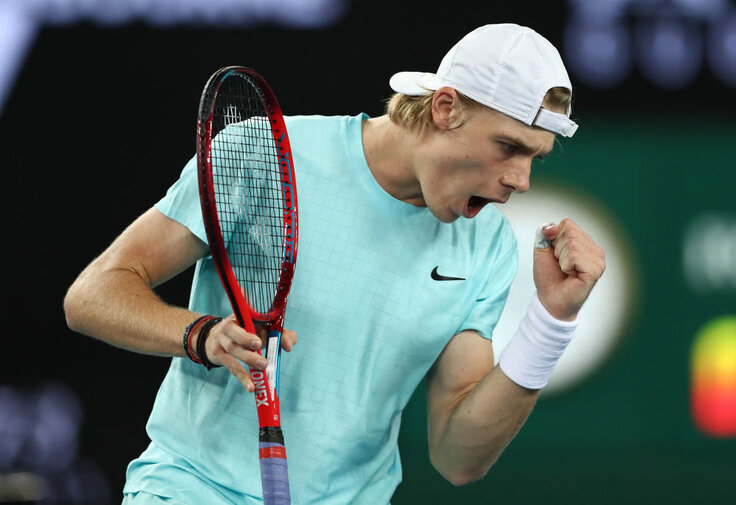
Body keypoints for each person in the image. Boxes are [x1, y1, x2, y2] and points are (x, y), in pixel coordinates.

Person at [64, 23, 605, 505]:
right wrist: (202, 335)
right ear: (445, 109)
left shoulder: (486, 244)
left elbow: (458, 459)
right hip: (191, 488)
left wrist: (551, 324)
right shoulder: (267, 153)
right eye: (508, 146)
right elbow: (93, 294)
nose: (520, 180)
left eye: (534, 157)